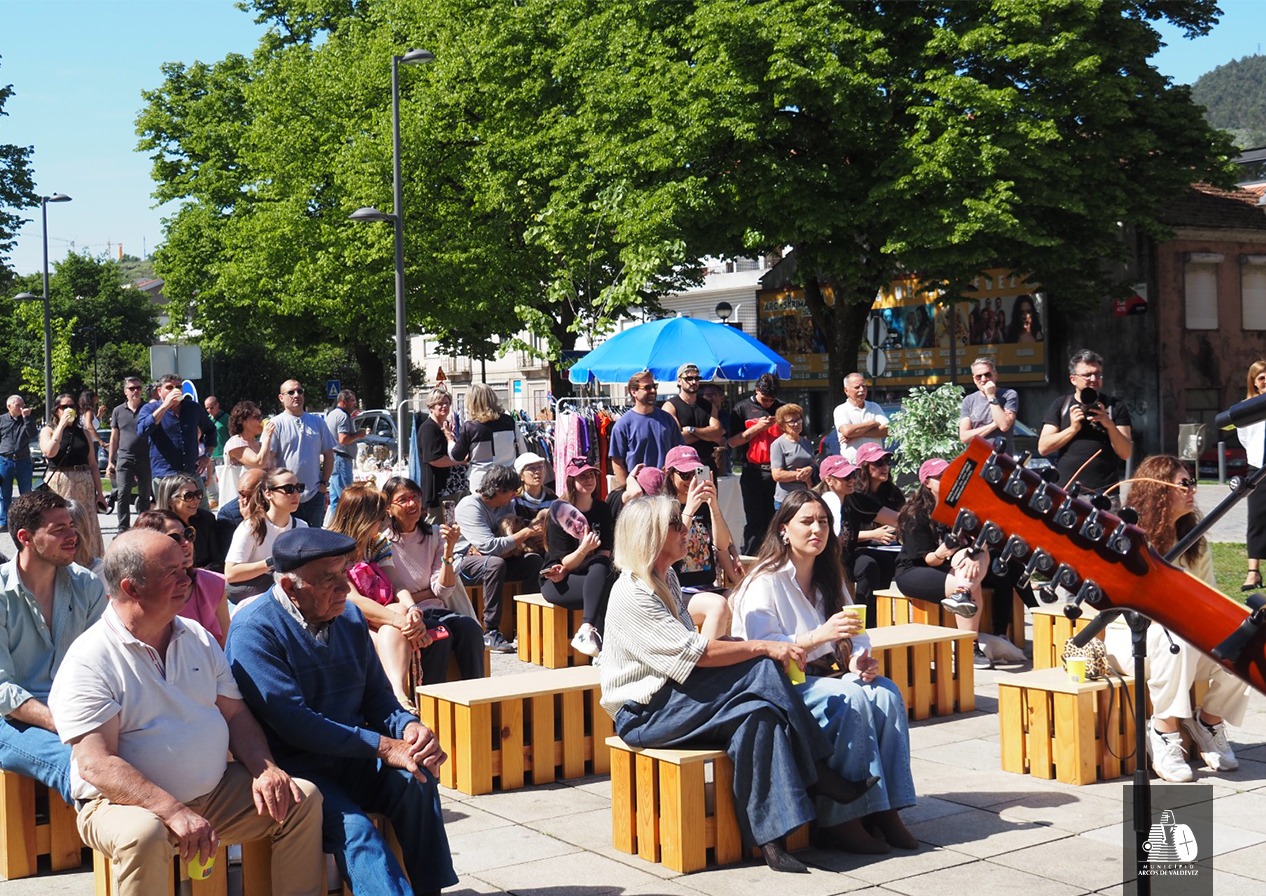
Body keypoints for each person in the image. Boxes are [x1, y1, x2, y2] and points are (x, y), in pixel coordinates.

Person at [600, 494, 877, 873]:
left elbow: (691, 648)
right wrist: (763, 646)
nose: (686, 530)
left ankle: (770, 843)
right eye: (676, 525)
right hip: (644, 713)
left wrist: (740, 645)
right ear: (650, 535)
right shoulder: (633, 592)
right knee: (762, 666)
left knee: (759, 715)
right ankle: (820, 771)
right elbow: (695, 654)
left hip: (674, 698)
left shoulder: (667, 578)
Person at [47, 529, 325, 896]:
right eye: (172, 573)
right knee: (143, 834)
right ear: (131, 588)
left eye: (186, 569)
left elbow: (236, 715)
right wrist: (172, 810)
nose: (187, 580)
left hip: (213, 793)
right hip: (122, 804)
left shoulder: (196, 635)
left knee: (300, 798)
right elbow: (97, 764)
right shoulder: (90, 658)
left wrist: (265, 768)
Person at [225, 528, 458, 896]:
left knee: (417, 778)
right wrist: (384, 746)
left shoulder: (348, 617)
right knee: (358, 833)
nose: (344, 588)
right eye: (327, 579)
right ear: (289, 588)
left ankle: (431, 889)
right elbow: (296, 724)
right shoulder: (255, 630)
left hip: (352, 756)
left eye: (343, 573)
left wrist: (408, 728)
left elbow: (377, 697)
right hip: (298, 770)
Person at [731, 490, 917, 853]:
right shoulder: (765, 581)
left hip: (825, 674)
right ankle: (842, 818)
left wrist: (858, 659)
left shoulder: (829, 575)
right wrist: (819, 636)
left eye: (823, 522)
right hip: (781, 684)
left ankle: (888, 808)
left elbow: (856, 634)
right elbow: (763, 648)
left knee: (885, 693)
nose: (817, 529)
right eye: (806, 521)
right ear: (784, 529)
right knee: (848, 697)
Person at [1104, 455, 1250, 782]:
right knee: (1176, 640)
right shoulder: (1130, 538)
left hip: (1186, 639)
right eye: (1184, 483)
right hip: (1130, 640)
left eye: (1192, 482)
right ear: (1158, 489)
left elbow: (1210, 599)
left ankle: (1209, 721)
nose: (1192, 490)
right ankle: (1163, 730)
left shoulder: (1196, 541)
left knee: (1246, 643)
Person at [0, 491, 107, 802]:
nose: (73, 536)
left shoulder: (87, 584)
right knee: (82, 767)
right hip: (9, 718)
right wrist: (61, 722)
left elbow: (104, 664)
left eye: (71, 526)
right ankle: (116, 825)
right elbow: (2, 690)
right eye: (59, 529)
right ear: (26, 537)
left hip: (76, 710)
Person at [379, 476, 484, 682]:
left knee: (470, 628)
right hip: (409, 616)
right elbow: (393, 591)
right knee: (440, 635)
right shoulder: (382, 542)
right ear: (389, 508)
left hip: (437, 609)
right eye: (403, 499)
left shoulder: (435, 535)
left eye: (415, 497)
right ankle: (431, 696)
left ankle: (476, 689)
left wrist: (449, 550)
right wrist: (421, 597)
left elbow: (442, 591)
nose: (412, 504)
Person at [893, 459, 987, 647]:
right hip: (914, 570)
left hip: (948, 565)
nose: (948, 479)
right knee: (971, 584)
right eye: (941, 476)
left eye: (951, 474)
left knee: (978, 557)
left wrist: (976, 556)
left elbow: (984, 535)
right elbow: (929, 560)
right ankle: (970, 645)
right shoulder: (915, 514)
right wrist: (941, 553)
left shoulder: (960, 507)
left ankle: (963, 595)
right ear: (927, 483)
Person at [454, 464, 544, 652]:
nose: (515, 495)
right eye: (513, 491)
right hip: (463, 563)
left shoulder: (507, 505)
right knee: (494, 563)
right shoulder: (470, 506)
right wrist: (526, 533)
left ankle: (528, 626)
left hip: (499, 560)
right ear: (499, 490)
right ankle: (491, 631)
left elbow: (509, 542)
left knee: (533, 561)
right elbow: (489, 547)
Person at [539, 457, 616, 658]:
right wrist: (584, 550)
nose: (589, 480)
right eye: (582, 477)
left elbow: (604, 553)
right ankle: (603, 651)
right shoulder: (560, 512)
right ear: (571, 481)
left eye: (592, 475)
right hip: (559, 581)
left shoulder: (602, 509)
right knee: (605, 586)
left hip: (592, 575)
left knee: (603, 569)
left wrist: (589, 556)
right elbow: (564, 563)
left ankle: (590, 635)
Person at [662, 445, 741, 638]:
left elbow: (721, 545)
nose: (691, 480)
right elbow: (671, 546)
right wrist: (689, 508)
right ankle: (704, 656)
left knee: (743, 599)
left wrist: (714, 506)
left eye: (695, 473)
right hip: (675, 591)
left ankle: (728, 651)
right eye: (684, 475)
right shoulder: (663, 508)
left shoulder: (705, 507)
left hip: (706, 586)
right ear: (670, 475)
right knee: (717, 606)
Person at [1038, 349, 1133, 495]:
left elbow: (1126, 452)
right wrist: (1073, 429)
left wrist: (1109, 424)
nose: (1094, 379)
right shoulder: (1061, 405)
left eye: (1098, 374)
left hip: (1104, 494)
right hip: (1066, 492)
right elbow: (1043, 447)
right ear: (1073, 379)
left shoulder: (1115, 407)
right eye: (1087, 375)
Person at [133, 509, 230, 647]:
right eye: (175, 538)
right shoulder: (138, 593)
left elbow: (227, 644)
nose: (186, 542)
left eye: (188, 534)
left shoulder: (214, 583)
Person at [225, 468, 309, 604]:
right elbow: (231, 573)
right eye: (288, 489)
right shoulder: (251, 527)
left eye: (299, 488)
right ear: (268, 494)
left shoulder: (302, 527)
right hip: (257, 600)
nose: (295, 494)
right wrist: (271, 562)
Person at [40, 393, 105, 558]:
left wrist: (100, 493)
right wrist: (61, 426)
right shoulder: (48, 430)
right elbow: (49, 452)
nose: (68, 409)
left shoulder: (83, 432)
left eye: (72, 406)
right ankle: (61, 556)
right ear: (56, 410)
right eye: (64, 407)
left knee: (85, 522)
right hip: (60, 483)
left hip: (84, 482)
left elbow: (93, 464)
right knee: (63, 521)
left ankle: (88, 558)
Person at [269, 379, 335, 528]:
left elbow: (329, 454)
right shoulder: (275, 424)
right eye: (291, 392)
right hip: (286, 495)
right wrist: (276, 489)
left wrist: (324, 483)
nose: (296, 395)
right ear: (281, 397)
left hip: (314, 494)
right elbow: (269, 461)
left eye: (299, 391)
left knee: (315, 538)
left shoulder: (317, 422)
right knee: (289, 537)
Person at [728, 373, 782, 554]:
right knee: (755, 520)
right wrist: (757, 428)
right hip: (753, 471)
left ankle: (775, 555)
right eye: (764, 399)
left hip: (776, 471)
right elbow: (732, 442)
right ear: (756, 390)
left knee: (776, 519)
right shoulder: (742, 408)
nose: (768, 404)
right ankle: (751, 557)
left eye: (771, 400)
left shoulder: (781, 408)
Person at [608, 370, 683, 488]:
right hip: (639, 489)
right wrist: (627, 489)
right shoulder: (623, 425)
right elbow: (617, 461)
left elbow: (678, 452)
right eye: (647, 387)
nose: (653, 390)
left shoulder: (667, 419)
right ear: (634, 392)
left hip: (666, 488)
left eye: (654, 386)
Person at [136, 374, 217, 480]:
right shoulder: (150, 409)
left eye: (178, 387)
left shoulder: (193, 408)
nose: (174, 391)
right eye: (169, 387)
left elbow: (211, 430)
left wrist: (207, 455)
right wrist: (165, 406)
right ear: (159, 391)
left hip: (191, 472)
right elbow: (142, 431)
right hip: (165, 474)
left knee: (200, 492)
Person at [450, 383, 518, 493]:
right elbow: (522, 449)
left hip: (481, 481)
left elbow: (457, 456)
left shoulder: (470, 427)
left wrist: (449, 440)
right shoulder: (509, 421)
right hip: (508, 479)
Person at [155, 472, 226, 573]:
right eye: (189, 496)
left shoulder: (206, 519)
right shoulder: (157, 526)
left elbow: (217, 559)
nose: (196, 500)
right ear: (171, 500)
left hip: (204, 577)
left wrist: (198, 574)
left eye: (198, 494)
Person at [107, 378, 152, 532]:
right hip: (125, 457)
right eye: (132, 388)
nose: (135, 391)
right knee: (123, 493)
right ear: (125, 392)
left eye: (138, 388)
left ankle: (144, 527)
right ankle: (123, 528)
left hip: (145, 457)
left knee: (145, 494)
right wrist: (110, 461)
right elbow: (114, 437)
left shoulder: (148, 408)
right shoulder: (118, 411)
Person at [663, 364, 724, 475]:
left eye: (697, 378)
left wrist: (691, 430)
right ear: (679, 381)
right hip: (682, 466)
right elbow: (678, 439)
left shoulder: (708, 406)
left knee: (706, 487)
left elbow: (717, 434)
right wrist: (706, 435)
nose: (693, 382)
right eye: (689, 378)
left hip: (705, 463)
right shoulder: (670, 406)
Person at [414, 387, 463, 525]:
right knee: (436, 527)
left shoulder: (445, 426)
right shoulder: (429, 428)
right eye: (440, 403)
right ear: (431, 406)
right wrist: (460, 461)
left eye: (447, 403)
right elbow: (434, 459)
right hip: (439, 491)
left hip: (452, 489)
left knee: (450, 526)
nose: (444, 406)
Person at [1240, 359, 1266, 592]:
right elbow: (1245, 438)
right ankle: (1253, 572)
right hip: (1258, 467)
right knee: (1256, 519)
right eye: (1261, 377)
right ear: (1254, 382)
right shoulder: (1247, 407)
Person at [958, 357, 1019, 455]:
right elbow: (964, 437)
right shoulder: (968, 400)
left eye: (987, 375)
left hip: (1001, 458)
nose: (983, 379)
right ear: (974, 379)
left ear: (995, 376)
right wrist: (994, 425)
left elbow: (1004, 426)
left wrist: (991, 396)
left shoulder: (1009, 395)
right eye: (979, 376)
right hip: (976, 458)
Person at [221, 399, 274, 503]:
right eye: (256, 417)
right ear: (242, 421)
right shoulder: (235, 443)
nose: (261, 420)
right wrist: (267, 436)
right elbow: (259, 463)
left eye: (261, 416)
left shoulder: (259, 444)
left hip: (260, 499)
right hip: (240, 501)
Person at [325, 389, 367, 520]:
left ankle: (335, 524)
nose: (355, 404)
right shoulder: (343, 416)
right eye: (352, 400)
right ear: (343, 401)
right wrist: (359, 434)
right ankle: (347, 524)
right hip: (341, 459)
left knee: (335, 499)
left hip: (334, 457)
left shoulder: (332, 414)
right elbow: (343, 439)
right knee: (347, 496)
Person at [0, 394, 39, 533]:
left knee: (26, 494)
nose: (21, 407)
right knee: (4, 494)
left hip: (23, 461)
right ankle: (4, 521)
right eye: (18, 405)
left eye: (23, 404)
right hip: (5, 460)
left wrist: (27, 418)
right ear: (9, 406)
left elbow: (33, 435)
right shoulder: (2, 420)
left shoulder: (27, 419)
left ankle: (26, 521)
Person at [833, 373, 889, 463]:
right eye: (857, 387)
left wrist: (856, 434)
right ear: (846, 390)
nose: (862, 390)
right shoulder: (841, 410)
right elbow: (847, 431)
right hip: (853, 465)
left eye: (864, 386)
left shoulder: (874, 407)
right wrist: (872, 423)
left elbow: (887, 430)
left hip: (875, 463)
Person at [770, 403, 815, 509]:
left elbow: (814, 464)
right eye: (791, 421)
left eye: (798, 420)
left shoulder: (807, 442)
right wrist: (800, 475)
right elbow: (777, 475)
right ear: (782, 426)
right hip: (786, 499)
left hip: (806, 497)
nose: (796, 424)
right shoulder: (778, 444)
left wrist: (810, 469)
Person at [513, 452, 557, 521]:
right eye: (531, 468)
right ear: (521, 476)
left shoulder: (552, 498)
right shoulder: (515, 500)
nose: (537, 471)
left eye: (540, 467)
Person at [204, 395, 230, 506]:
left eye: (211, 407)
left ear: (217, 405)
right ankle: (214, 498)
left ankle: (225, 498)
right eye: (207, 408)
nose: (209, 410)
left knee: (223, 478)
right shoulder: (208, 419)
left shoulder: (226, 418)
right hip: (211, 454)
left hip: (222, 453)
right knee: (209, 477)